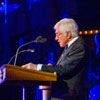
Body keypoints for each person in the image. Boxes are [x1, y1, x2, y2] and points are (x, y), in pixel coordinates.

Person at [22, 18, 89, 100]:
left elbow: (63, 70)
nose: (56, 38)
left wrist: (37, 67)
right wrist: (50, 68)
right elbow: (65, 69)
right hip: (62, 94)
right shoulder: (70, 46)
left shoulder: (79, 47)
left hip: (70, 96)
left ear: (68, 34)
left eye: (58, 34)